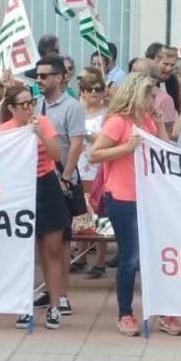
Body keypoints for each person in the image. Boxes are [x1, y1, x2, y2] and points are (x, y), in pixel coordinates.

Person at [90, 73, 181, 337]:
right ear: (136, 95)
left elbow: (164, 149)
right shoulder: (118, 122)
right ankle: (125, 313)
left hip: (149, 197)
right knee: (131, 257)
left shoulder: (145, 120)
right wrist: (126, 148)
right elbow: (95, 154)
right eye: (150, 95)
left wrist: (158, 122)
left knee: (157, 254)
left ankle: (164, 310)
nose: (154, 99)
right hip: (123, 197)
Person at [0, 86, 66, 330]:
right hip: (19, 190)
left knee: (52, 249)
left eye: (32, 102)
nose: (30, 107)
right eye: (24, 104)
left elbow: (56, 154)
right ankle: (23, 306)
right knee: (23, 251)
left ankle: (55, 306)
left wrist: (40, 134)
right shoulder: (4, 131)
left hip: (45, 185)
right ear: (12, 108)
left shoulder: (43, 123)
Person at [33, 56, 85, 315]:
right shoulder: (35, 106)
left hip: (61, 180)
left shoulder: (72, 107)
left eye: (44, 76)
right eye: (37, 76)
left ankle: (62, 294)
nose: (39, 80)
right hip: (41, 180)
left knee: (61, 241)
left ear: (58, 77)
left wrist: (65, 175)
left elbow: (76, 144)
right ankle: (48, 290)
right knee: (42, 240)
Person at [75, 67, 108, 279]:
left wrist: (94, 137)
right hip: (80, 164)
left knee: (99, 212)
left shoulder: (107, 114)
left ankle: (101, 260)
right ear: (83, 91)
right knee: (80, 211)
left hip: (99, 166)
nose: (94, 93)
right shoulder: (77, 111)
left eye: (98, 89)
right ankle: (80, 256)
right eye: (89, 89)